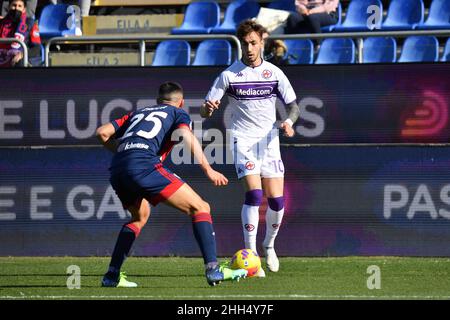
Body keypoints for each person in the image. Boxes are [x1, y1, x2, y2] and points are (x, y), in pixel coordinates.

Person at [96, 82, 248, 287]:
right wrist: (208, 169)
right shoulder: (178, 113)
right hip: (144, 165)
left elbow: (102, 133)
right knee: (200, 207)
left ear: (158, 100)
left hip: (118, 168)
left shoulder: (137, 113)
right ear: (181, 102)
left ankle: (111, 276)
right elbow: (186, 135)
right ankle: (213, 269)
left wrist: (126, 153)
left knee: (139, 217)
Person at [200, 20, 300, 277]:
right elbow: (205, 108)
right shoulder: (229, 75)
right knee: (254, 196)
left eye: (253, 43)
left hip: (269, 141)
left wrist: (288, 122)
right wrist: (207, 109)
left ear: (262, 43)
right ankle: (251, 255)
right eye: (245, 44)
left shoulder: (274, 73)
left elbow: (294, 106)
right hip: (243, 140)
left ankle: (269, 245)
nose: (249, 48)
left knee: (277, 201)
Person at [0, 0, 33, 67]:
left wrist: (22, 54)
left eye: (19, 6)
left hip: (19, 60)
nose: (16, 8)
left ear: (24, 9)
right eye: (14, 5)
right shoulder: (1, 22)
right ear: (9, 7)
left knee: (19, 61)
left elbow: (36, 48)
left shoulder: (30, 23)